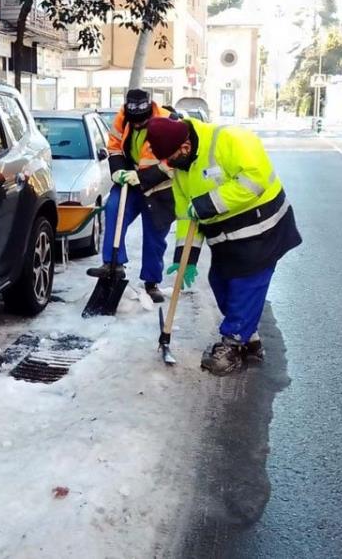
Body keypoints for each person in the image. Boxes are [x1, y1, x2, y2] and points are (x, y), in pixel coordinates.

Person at [144, 115, 302, 375]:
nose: (170, 166)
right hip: (227, 235)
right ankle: (248, 341)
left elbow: (256, 179)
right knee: (219, 280)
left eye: (171, 159)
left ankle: (233, 342)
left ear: (184, 147)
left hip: (264, 227)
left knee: (246, 283)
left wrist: (206, 204)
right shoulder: (181, 170)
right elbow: (187, 216)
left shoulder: (229, 139)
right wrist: (186, 257)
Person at [87, 89, 176, 304]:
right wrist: (117, 168)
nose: (137, 125)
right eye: (133, 121)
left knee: (154, 236)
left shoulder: (169, 122)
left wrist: (143, 176)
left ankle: (151, 282)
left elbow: (172, 162)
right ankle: (112, 263)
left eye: (141, 122)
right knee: (113, 208)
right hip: (130, 180)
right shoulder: (123, 118)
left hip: (160, 187)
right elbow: (114, 147)